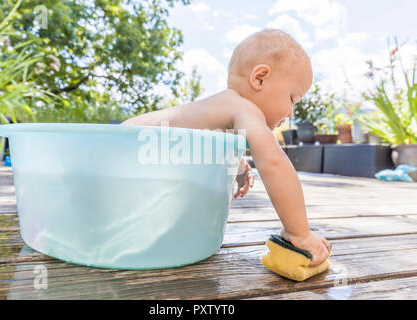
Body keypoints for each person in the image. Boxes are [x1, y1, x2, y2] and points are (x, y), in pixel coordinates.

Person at [122, 28, 331, 267]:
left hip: (127, 146)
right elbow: (274, 164)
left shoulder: (224, 108)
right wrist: (300, 234)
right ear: (260, 78)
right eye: (292, 98)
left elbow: (199, 144)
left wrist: (238, 164)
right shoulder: (245, 109)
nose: (291, 112)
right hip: (127, 145)